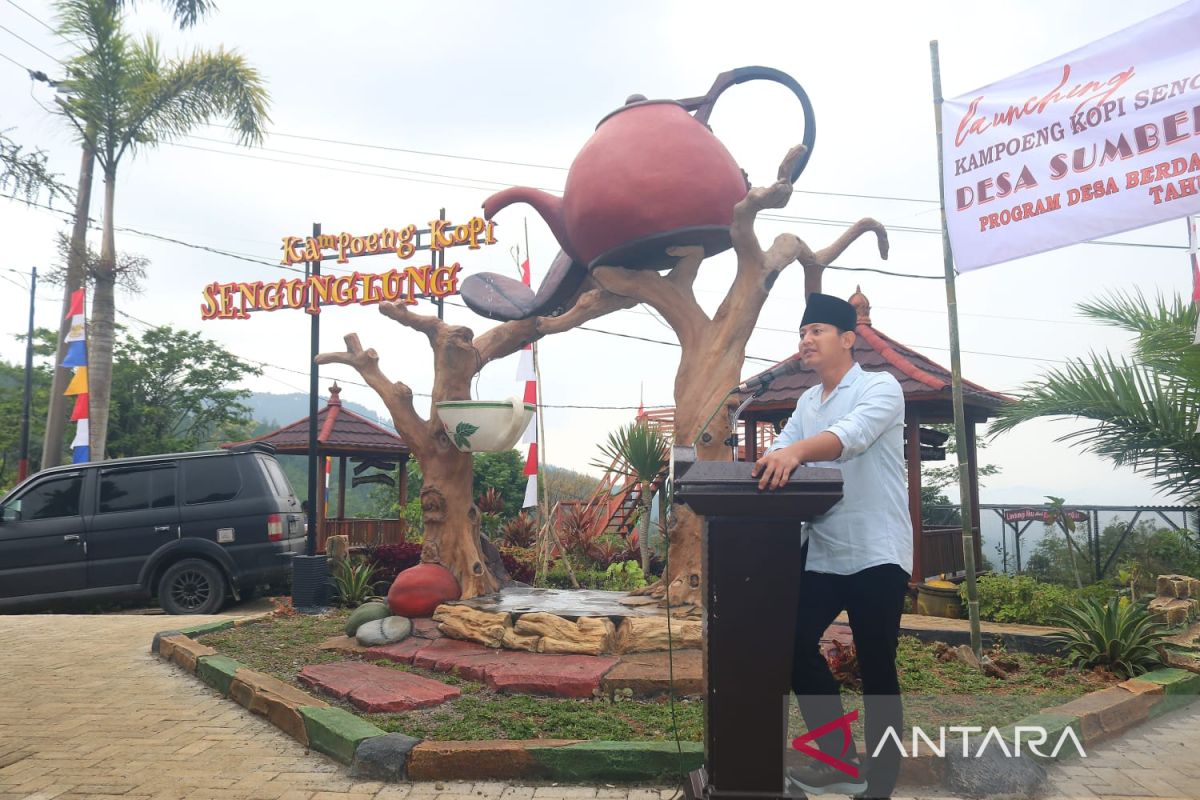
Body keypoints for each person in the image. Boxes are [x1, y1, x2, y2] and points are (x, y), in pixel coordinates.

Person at [751, 292, 912, 799]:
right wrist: (785, 450)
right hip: (821, 549)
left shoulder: (880, 388)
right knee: (791, 646)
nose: (806, 340)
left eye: (816, 330)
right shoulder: (806, 401)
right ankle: (839, 760)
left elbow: (852, 435)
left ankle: (880, 786)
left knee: (878, 668)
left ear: (848, 339)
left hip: (876, 551)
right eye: (802, 332)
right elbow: (781, 448)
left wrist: (796, 449)